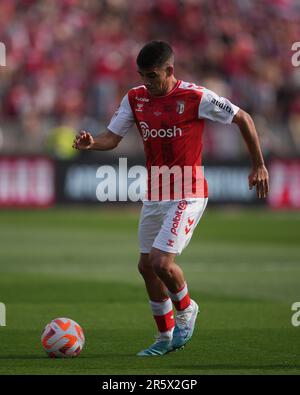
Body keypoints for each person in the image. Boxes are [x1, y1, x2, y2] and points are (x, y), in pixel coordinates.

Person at [73, 41, 269, 357]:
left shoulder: (195, 97)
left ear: (169, 70)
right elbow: (112, 138)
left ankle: (187, 308)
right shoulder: (134, 99)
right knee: (146, 267)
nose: (147, 82)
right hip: (155, 192)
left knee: (161, 262)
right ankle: (164, 338)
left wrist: (258, 164)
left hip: (188, 191)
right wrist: (92, 142)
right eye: (142, 76)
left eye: (152, 76)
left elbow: (243, 118)